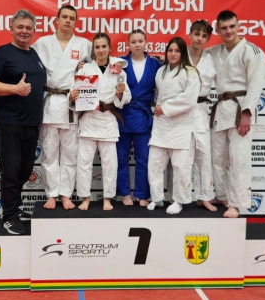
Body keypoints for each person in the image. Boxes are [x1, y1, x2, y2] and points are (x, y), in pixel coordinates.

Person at [0, 9, 46, 235]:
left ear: (34, 31)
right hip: (10, 122)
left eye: (29, 28)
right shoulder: (2, 53)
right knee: (10, 171)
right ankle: (10, 216)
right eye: (20, 27)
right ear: (11, 28)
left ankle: (12, 208)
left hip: (32, 123)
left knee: (24, 170)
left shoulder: (34, 54)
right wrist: (14, 89)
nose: (24, 31)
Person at [31, 5, 91, 210]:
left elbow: (97, 66)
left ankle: (66, 194)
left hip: (72, 105)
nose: (67, 21)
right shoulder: (42, 43)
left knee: (70, 155)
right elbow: (30, 65)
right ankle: (51, 194)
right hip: (49, 103)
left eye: (72, 18)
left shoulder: (84, 45)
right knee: (49, 153)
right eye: (64, 17)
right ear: (56, 20)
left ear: (75, 22)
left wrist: (88, 68)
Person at [208, 10, 265, 218]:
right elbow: (193, 57)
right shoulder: (215, 51)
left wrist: (247, 113)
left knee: (238, 158)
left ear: (239, 26)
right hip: (221, 108)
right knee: (218, 158)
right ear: (217, 29)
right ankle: (222, 195)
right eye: (224, 28)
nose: (228, 31)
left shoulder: (252, 51)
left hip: (240, 108)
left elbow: (256, 84)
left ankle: (236, 203)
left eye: (232, 26)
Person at [70, 33, 131, 211]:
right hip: (89, 120)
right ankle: (85, 198)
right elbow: (74, 93)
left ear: (110, 48)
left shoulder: (118, 70)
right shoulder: (85, 70)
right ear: (93, 50)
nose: (101, 50)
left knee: (110, 164)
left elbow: (126, 97)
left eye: (104, 46)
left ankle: (107, 199)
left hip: (108, 121)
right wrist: (73, 96)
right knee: (84, 163)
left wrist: (120, 93)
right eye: (97, 47)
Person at [147, 37, 200, 214]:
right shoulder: (161, 71)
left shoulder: (190, 72)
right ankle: (156, 198)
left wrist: (165, 108)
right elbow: (157, 95)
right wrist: (158, 108)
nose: (173, 54)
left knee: (181, 167)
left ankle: (179, 200)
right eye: (170, 50)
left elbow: (189, 99)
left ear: (183, 53)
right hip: (161, 125)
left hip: (181, 126)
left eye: (177, 51)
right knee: (154, 164)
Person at [116, 29, 162, 207]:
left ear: (146, 42)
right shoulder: (120, 63)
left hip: (144, 116)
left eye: (140, 41)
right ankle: (125, 194)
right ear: (128, 44)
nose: (137, 45)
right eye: (133, 42)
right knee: (121, 158)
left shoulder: (155, 64)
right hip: (123, 114)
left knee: (143, 158)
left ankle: (142, 194)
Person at [187, 20, 217, 211]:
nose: (199, 38)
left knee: (204, 153)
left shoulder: (210, 58)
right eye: (197, 34)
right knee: (181, 155)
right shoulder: (180, 55)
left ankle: (204, 196)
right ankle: (177, 195)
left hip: (200, 109)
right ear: (190, 34)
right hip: (181, 110)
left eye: (204, 36)